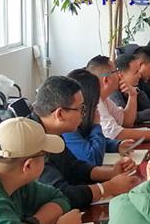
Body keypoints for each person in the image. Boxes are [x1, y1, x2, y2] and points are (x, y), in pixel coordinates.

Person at [31, 76, 138, 209]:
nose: (84, 114)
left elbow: (73, 167)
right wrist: (108, 188)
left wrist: (111, 173)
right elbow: (60, 194)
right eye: (80, 109)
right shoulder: (32, 143)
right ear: (60, 114)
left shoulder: (51, 130)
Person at [63, 68, 139, 165]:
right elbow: (93, 159)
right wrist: (96, 125)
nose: (97, 107)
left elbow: (87, 139)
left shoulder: (80, 119)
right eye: (95, 102)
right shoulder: (67, 127)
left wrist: (116, 145)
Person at [86, 55, 150, 141]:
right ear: (106, 80)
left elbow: (126, 122)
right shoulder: (95, 102)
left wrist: (132, 95)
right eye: (116, 71)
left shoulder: (105, 99)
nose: (119, 75)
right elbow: (115, 134)